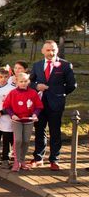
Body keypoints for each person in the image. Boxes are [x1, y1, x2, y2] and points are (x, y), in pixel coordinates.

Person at [29, 40, 76, 170]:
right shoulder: (37, 65)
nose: (51, 52)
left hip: (56, 103)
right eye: (48, 50)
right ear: (43, 51)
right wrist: (36, 86)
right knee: (39, 131)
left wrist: (59, 93)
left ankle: (54, 159)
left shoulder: (65, 65)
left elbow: (72, 85)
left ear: (57, 50)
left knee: (55, 131)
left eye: (53, 50)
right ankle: (38, 157)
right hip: (39, 104)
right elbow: (30, 82)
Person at [3, 72, 44, 172]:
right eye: (21, 81)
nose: (23, 83)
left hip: (28, 121)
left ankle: (22, 160)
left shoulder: (33, 93)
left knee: (26, 141)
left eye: (25, 81)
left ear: (29, 81)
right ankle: (16, 161)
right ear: (16, 82)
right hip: (17, 120)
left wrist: (35, 114)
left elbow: (38, 106)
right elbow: (7, 106)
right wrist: (12, 115)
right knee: (18, 140)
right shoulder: (13, 93)